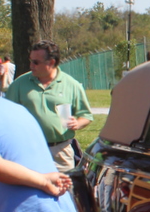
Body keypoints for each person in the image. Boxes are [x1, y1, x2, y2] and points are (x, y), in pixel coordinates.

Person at [6, 40, 93, 172]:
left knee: (63, 190)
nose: (31, 65)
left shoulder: (71, 85)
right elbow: (5, 114)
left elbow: (86, 115)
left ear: (51, 62)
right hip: (28, 150)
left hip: (60, 151)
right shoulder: (19, 84)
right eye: (30, 61)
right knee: (30, 190)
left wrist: (78, 123)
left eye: (36, 62)